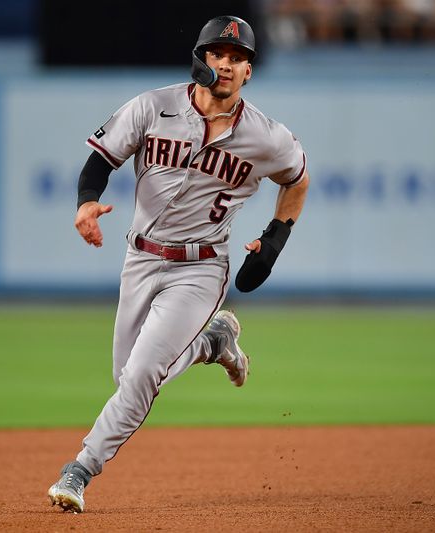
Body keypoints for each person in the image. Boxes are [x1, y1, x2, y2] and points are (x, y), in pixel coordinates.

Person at [47, 15, 310, 513]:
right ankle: (213, 342)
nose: (228, 65)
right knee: (128, 378)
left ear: (250, 72)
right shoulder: (152, 106)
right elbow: (102, 159)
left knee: (144, 373)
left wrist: (274, 240)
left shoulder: (266, 137)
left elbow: (297, 180)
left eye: (239, 59)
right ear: (201, 59)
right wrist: (86, 202)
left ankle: (78, 470)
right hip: (140, 256)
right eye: (218, 54)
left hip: (201, 267)